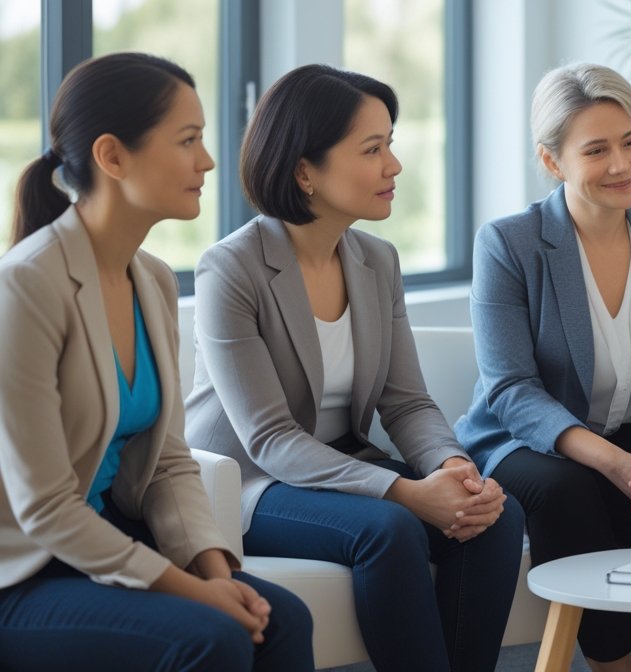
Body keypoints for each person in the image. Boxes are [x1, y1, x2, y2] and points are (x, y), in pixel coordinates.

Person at [184, 64, 524, 672]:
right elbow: (269, 438)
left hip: (341, 466)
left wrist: (453, 470)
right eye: (373, 149)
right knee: (388, 528)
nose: (394, 165)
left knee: (496, 516)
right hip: (249, 482)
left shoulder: (376, 259)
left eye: (390, 144)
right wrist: (406, 493)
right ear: (304, 170)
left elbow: (407, 402)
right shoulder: (230, 269)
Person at [0, 52, 313, 672]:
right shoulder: (26, 287)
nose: (209, 161)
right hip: (23, 571)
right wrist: (197, 595)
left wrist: (215, 570)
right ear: (112, 157)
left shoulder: (151, 280)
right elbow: (44, 509)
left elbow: (169, 458)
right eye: (188, 140)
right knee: (210, 636)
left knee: (281, 618)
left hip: (105, 539)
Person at [455, 62, 631, 671]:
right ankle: (613, 666)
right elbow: (511, 388)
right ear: (553, 161)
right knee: (568, 490)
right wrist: (614, 462)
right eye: (597, 149)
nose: (622, 164)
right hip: (533, 438)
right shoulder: (510, 243)